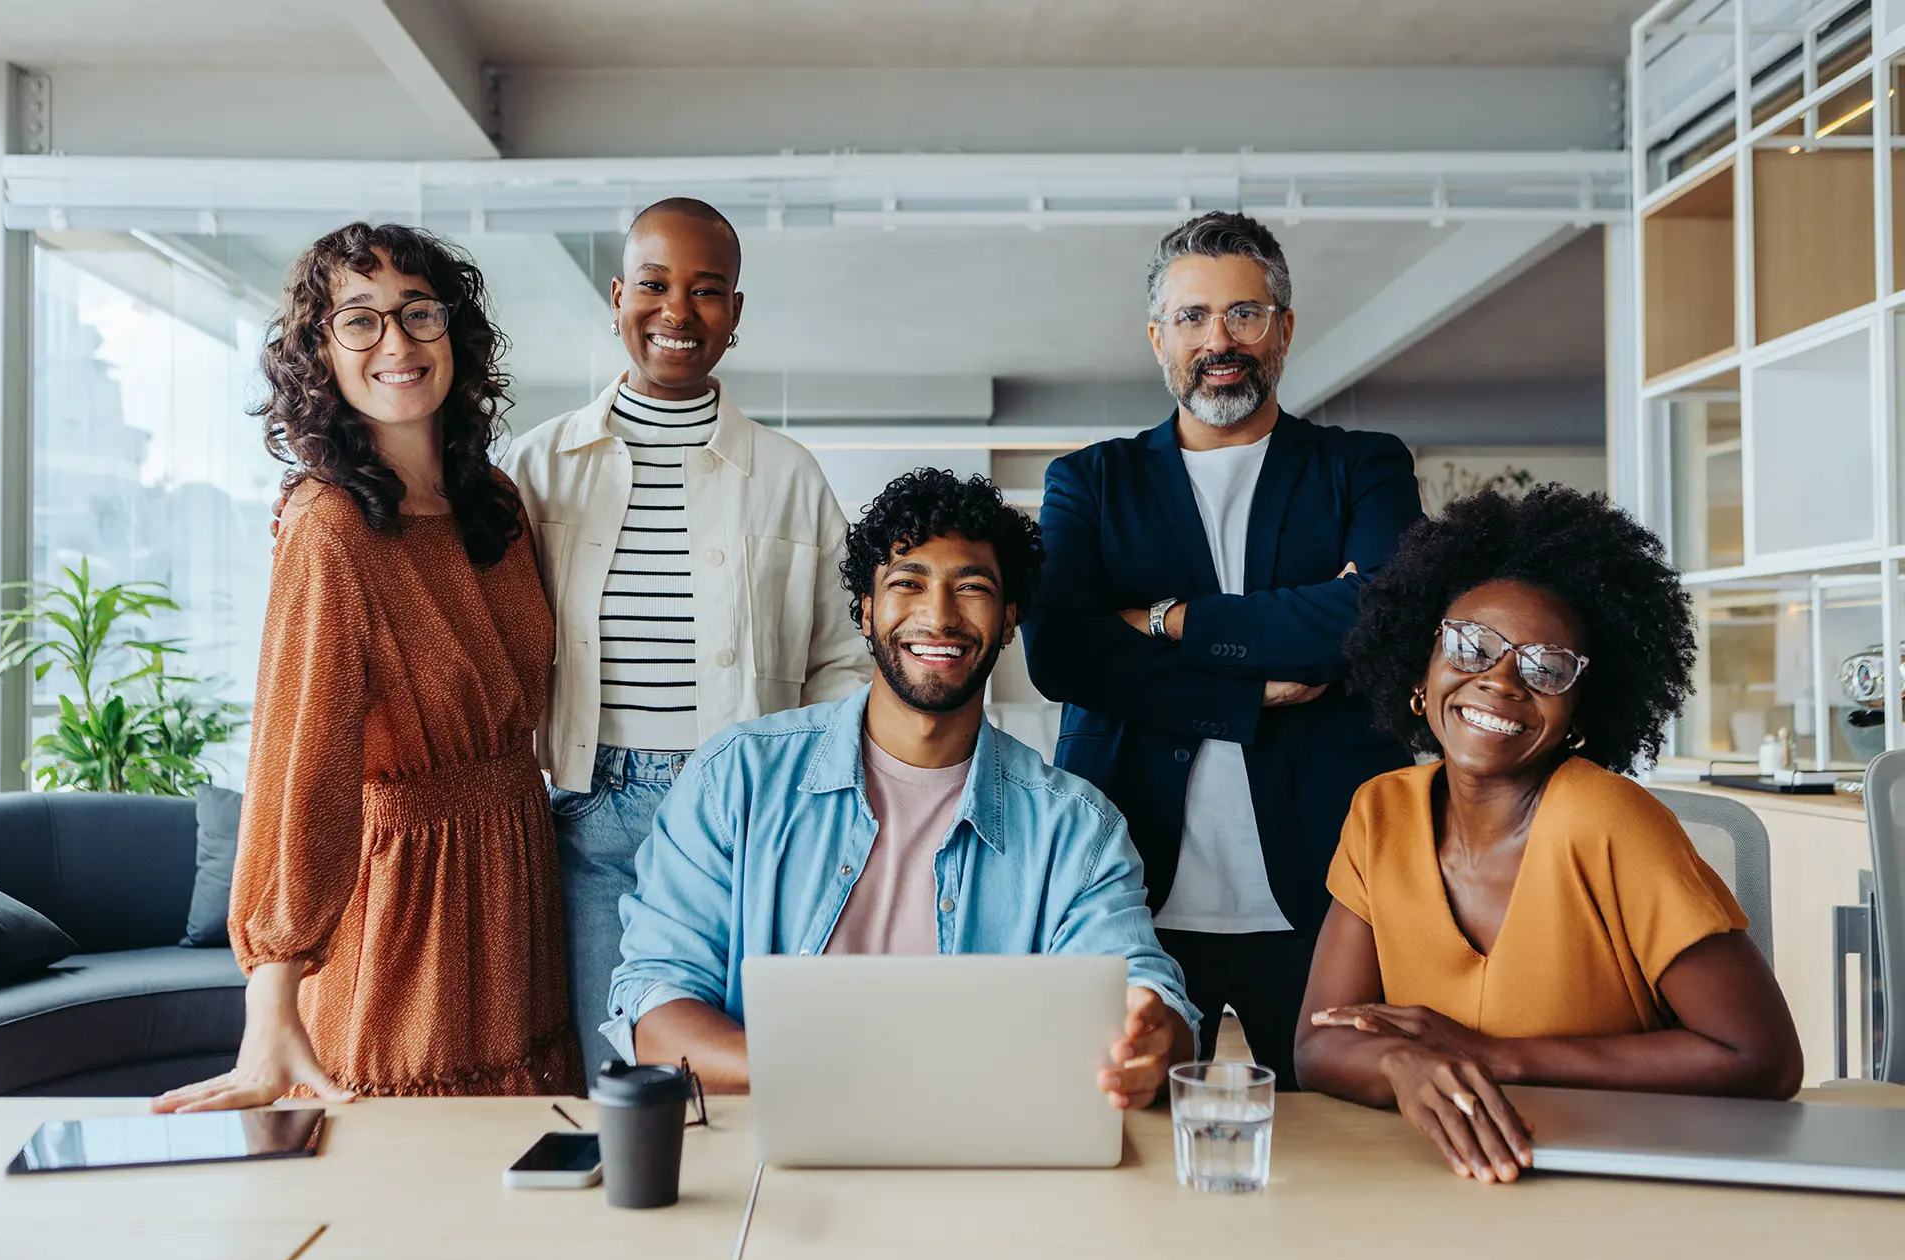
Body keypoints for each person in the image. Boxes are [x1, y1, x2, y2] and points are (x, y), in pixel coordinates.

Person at [154, 223, 578, 1111]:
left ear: (453, 332)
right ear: (320, 351)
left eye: (418, 312)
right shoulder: (330, 526)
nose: (396, 342)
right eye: (360, 320)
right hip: (408, 907)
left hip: (515, 874)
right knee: (405, 1199)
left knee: (523, 1192)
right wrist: (273, 980)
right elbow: (300, 763)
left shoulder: (494, 501)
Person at [611, 469, 1197, 1108]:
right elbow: (659, 1012)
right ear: (866, 610)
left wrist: (1152, 1033)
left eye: (971, 588)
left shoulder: (1077, 829)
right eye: (907, 584)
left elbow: (1145, 993)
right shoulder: (737, 779)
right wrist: (844, 1078)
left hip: (983, 1159)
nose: (938, 616)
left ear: (1008, 621)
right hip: (766, 1160)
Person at [1295, 485, 1803, 1184]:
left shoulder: (1607, 819)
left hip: (1622, 1180)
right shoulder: (1380, 811)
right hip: (1444, 1182)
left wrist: (1490, 1054)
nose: (1501, 680)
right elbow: (1319, 1042)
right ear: (1422, 666)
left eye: (1546, 666)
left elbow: (1764, 1057)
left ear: (1579, 708)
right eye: (1471, 645)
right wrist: (1402, 1061)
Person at [1023, 211, 1421, 1081]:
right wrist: (1250, 690)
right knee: (1126, 1140)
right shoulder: (1090, 480)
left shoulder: (1363, 466)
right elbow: (1062, 653)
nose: (1221, 339)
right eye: (1195, 317)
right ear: (1158, 336)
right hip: (1130, 890)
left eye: (1245, 313)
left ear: (1283, 327)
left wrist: (1164, 621)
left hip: (1330, 892)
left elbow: (1383, 620)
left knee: (1352, 1146)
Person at [504, 198, 871, 1084]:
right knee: (621, 1078)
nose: (678, 311)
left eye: (707, 291)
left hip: (751, 812)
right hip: (594, 812)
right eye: (657, 285)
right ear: (620, 294)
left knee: (750, 1071)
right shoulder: (536, 465)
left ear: (734, 315)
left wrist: (809, 800)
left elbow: (841, 661)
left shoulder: (789, 474)